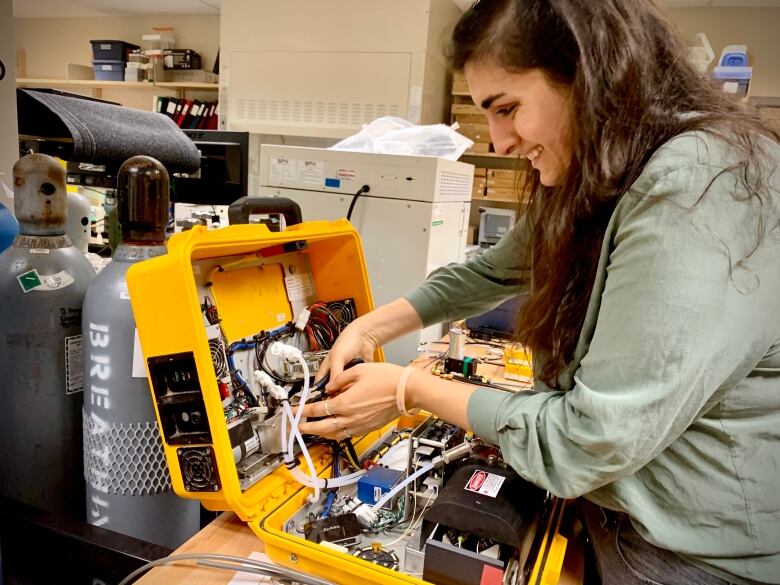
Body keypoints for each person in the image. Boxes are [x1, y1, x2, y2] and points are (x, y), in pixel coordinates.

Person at [298, 1, 780, 583]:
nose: (498, 141)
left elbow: (586, 441)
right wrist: (372, 326)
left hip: (692, 554)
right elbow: (495, 270)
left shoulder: (699, 185)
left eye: (508, 109)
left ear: (587, 76)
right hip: (624, 513)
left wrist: (409, 387)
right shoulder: (599, 162)